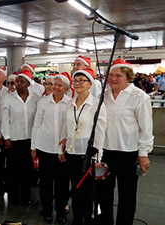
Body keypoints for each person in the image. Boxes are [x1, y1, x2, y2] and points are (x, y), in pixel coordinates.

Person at [97, 59, 154, 225]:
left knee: (127, 195)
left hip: (128, 153)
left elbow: (146, 128)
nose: (113, 78)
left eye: (118, 75)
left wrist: (143, 153)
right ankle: (104, 221)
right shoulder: (104, 95)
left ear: (128, 76)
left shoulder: (139, 96)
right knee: (102, 193)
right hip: (105, 152)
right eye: (111, 75)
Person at [58, 68, 107, 225]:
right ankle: (77, 219)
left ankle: (88, 219)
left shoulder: (96, 104)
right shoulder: (70, 103)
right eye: (76, 81)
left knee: (88, 192)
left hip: (88, 155)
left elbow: (100, 132)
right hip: (72, 153)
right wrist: (62, 148)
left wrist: (97, 157)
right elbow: (65, 127)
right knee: (75, 189)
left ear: (89, 84)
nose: (78, 83)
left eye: (82, 80)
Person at [31, 74, 72, 224]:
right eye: (54, 84)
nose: (55, 87)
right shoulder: (43, 102)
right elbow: (36, 124)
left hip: (63, 149)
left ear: (66, 88)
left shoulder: (70, 103)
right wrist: (33, 146)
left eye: (59, 85)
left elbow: (71, 126)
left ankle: (61, 211)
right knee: (45, 183)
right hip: (44, 147)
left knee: (62, 183)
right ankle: (46, 210)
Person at [1, 70, 39, 205]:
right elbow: (4, 119)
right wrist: (6, 137)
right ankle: (13, 197)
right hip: (14, 140)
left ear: (29, 83)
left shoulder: (34, 99)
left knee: (27, 171)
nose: (18, 84)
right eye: (18, 82)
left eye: (22, 82)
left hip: (29, 140)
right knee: (12, 170)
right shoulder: (8, 98)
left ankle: (26, 196)